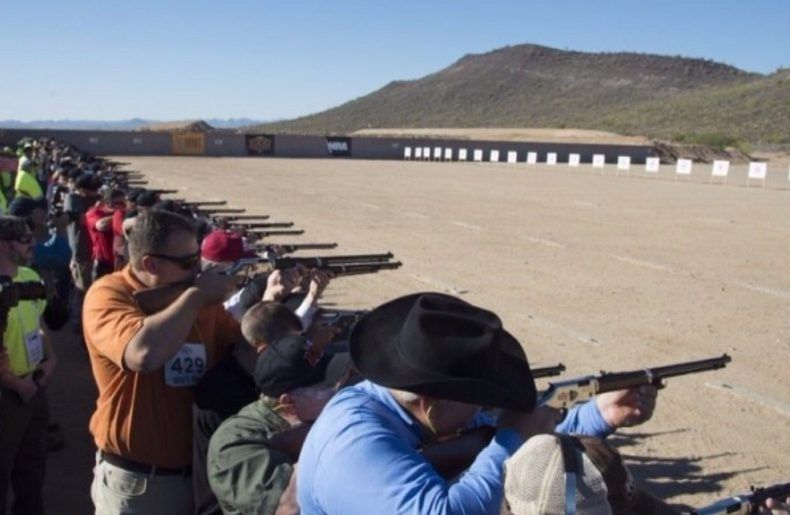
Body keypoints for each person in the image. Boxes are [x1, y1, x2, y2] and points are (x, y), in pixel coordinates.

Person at [297, 292, 658, 515]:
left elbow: (526, 432)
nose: (486, 409)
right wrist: (511, 439)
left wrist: (601, 413)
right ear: (432, 406)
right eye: (480, 400)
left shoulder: (402, 409)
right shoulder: (353, 444)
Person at [83, 210, 242, 514]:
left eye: (198, 257)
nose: (199, 269)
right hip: (140, 482)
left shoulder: (196, 297)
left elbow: (240, 349)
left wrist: (273, 300)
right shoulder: (109, 294)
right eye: (187, 262)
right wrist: (194, 297)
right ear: (150, 264)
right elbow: (144, 354)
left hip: (198, 473)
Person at [207, 332, 353, 515]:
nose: (342, 388)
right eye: (329, 385)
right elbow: (289, 507)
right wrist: (333, 435)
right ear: (289, 403)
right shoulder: (234, 442)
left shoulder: (316, 417)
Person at [191, 301, 304, 515]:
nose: (292, 353)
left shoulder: (239, 376)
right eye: (288, 346)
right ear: (264, 349)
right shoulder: (222, 391)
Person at [0, 216, 56, 515]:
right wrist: (15, 384)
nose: (33, 243)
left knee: (32, 468)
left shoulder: (29, 277)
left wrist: (51, 358)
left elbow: (40, 320)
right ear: (3, 244)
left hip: (34, 385)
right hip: (8, 393)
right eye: (24, 239)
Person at [85, 187, 125, 281]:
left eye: (124, 202)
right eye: (119, 203)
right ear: (108, 203)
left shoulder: (120, 213)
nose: (123, 205)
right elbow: (101, 225)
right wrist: (119, 215)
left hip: (118, 261)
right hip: (103, 263)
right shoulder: (94, 212)